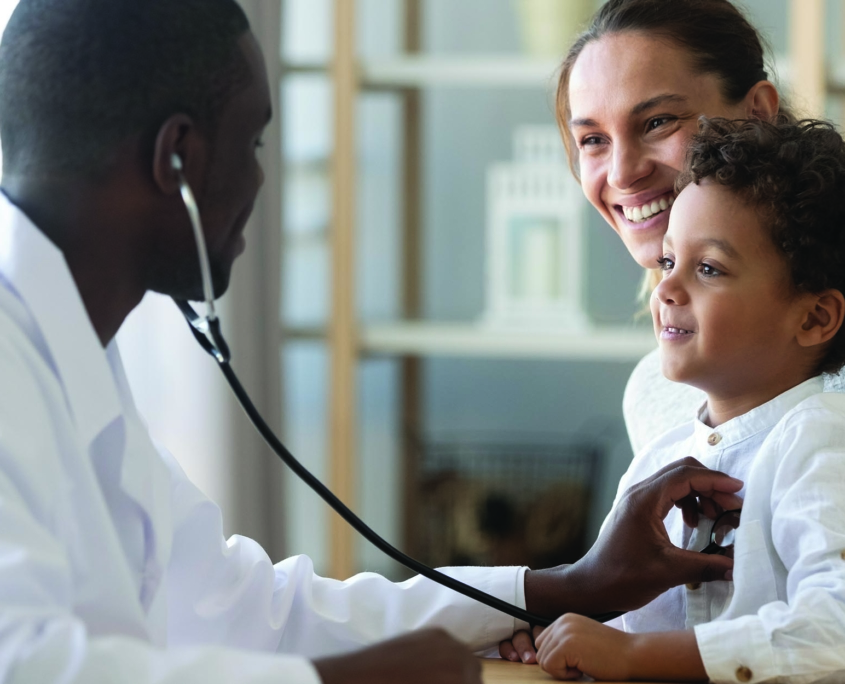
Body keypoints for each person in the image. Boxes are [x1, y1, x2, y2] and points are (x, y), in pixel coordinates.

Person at [0, 1, 746, 683]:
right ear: (177, 161)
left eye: (655, 122)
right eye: (254, 141)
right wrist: (344, 681)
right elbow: (28, 663)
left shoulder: (76, 357)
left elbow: (251, 607)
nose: (262, 179)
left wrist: (570, 585)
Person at [500, 0, 845, 665]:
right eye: (591, 138)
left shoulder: (821, 426)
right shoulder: (665, 403)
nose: (622, 171)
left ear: (756, 114)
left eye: (656, 121)